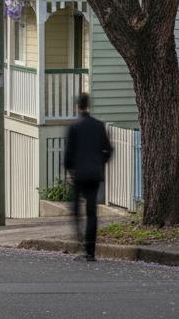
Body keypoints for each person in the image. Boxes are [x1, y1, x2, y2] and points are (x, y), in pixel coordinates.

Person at [64, 92, 112, 262]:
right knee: (92, 212)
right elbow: (108, 149)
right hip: (93, 173)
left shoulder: (74, 127)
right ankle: (90, 250)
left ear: (77, 106)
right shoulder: (98, 126)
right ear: (88, 105)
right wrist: (101, 162)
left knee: (76, 210)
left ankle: (80, 245)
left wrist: (69, 171)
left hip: (78, 174)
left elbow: (68, 154)